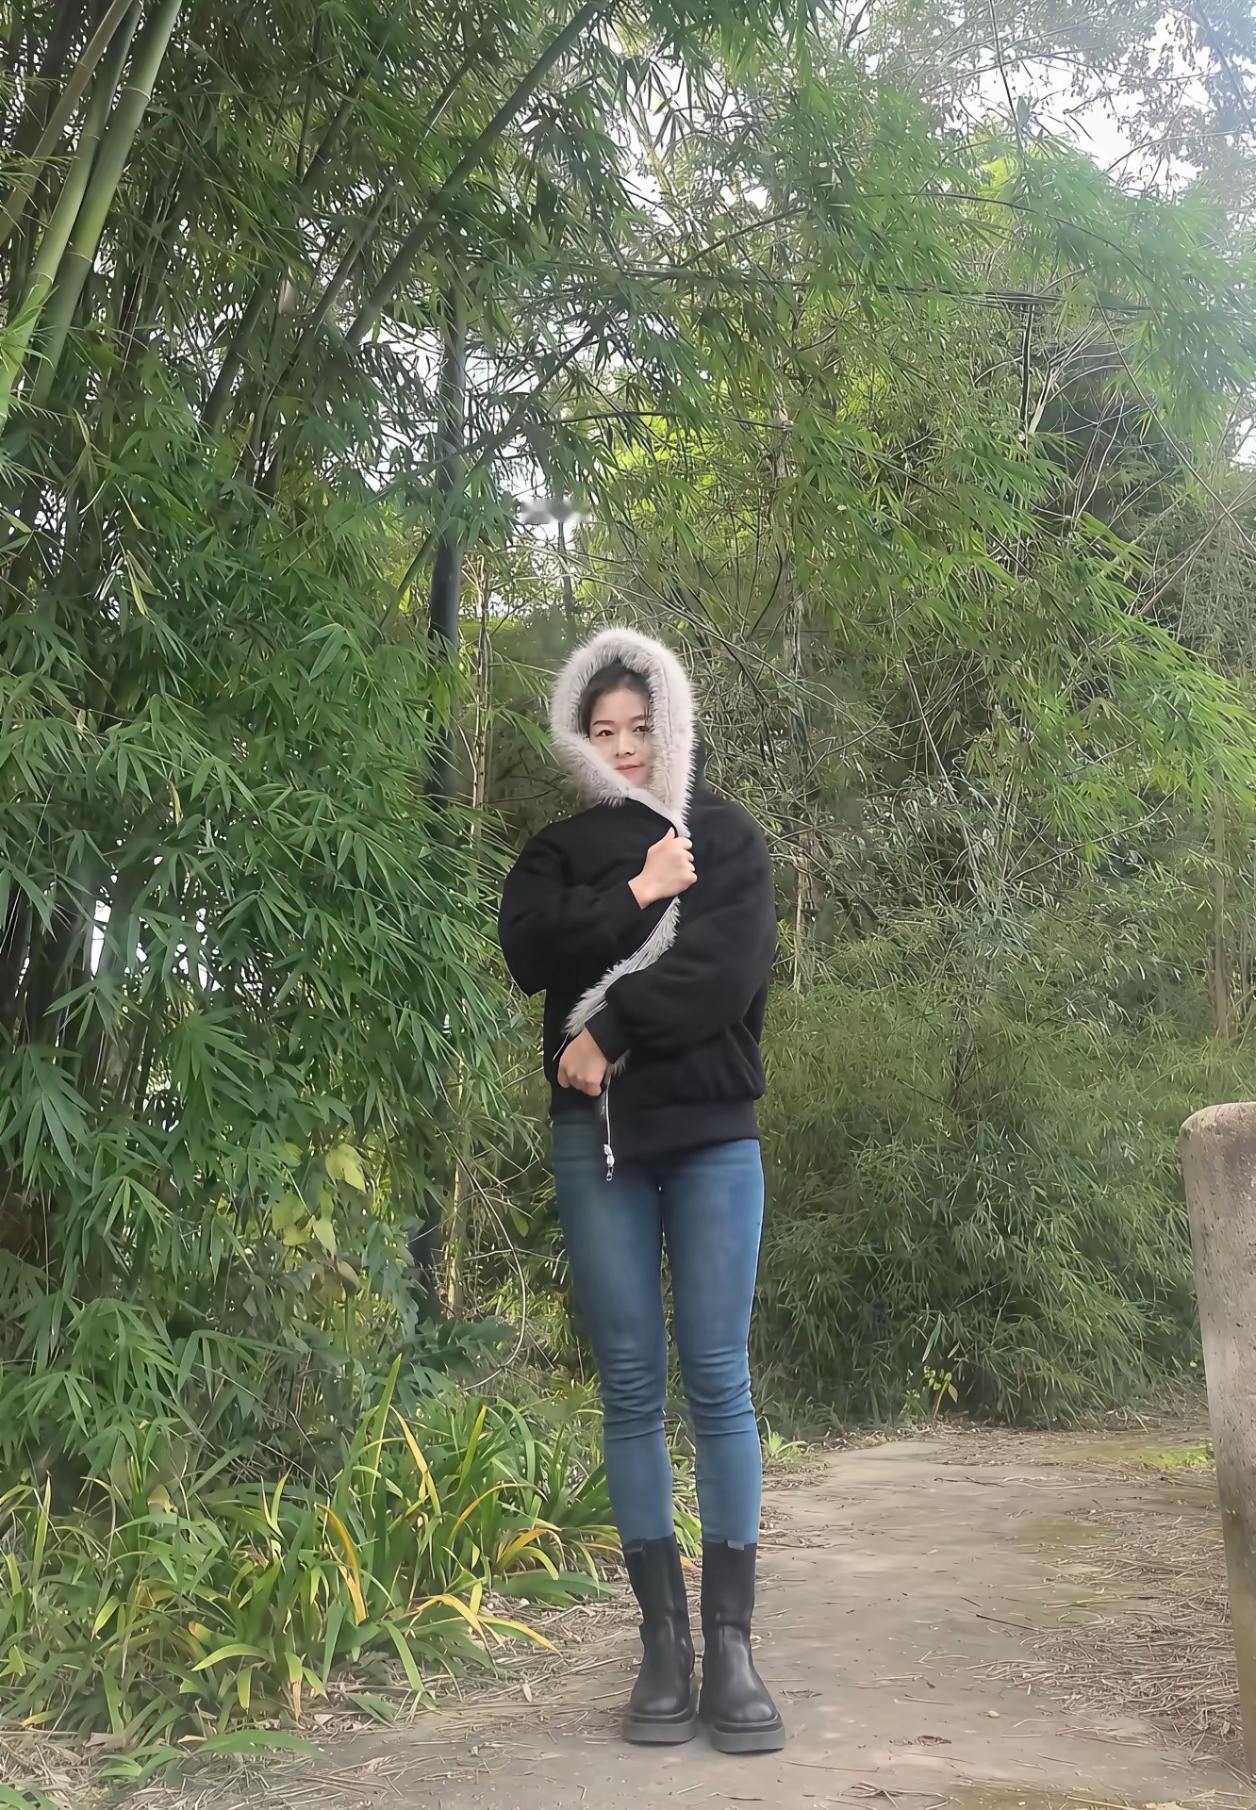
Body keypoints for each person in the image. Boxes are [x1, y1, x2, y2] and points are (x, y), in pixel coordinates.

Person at [498, 627, 783, 1754]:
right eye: (602, 731)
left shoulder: (728, 835)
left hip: (711, 1137)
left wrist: (610, 1025)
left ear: (674, 723)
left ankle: (732, 1645)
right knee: (627, 1385)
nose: (622, 748)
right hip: (597, 1147)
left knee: (717, 1379)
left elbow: (723, 971)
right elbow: (530, 950)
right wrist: (639, 887)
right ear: (580, 737)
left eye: (640, 728)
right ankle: (662, 1646)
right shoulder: (560, 851)